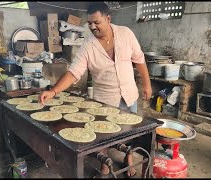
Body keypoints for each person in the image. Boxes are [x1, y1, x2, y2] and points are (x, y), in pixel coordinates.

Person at [39, 2, 152, 177]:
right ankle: (105, 166)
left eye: (97, 22)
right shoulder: (88, 46)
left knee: (128, 132)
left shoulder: (126, 34)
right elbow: (73, 72)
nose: (92, 27)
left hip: (129, 94)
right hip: (105, 100)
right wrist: (53, 91)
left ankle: (128, 159)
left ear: (108, 18)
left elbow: (139, 59)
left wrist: (147, 84)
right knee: (103, 136)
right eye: (89, 23)